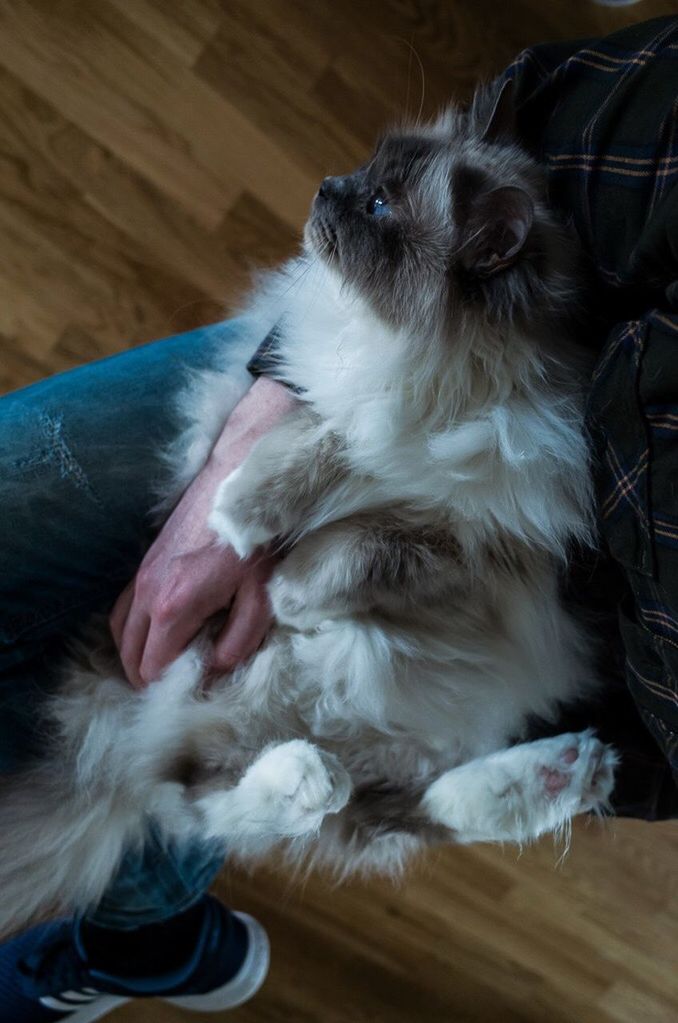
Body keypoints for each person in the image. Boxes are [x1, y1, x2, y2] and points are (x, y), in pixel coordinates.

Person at [2, 14, 678, 1022]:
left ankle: (154, 925)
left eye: (367, 203)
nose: (322, 195)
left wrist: (432, 728)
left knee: (182, 737)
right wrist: (259, 441)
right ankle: (158, 936)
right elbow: (545, 120)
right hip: (405, 395)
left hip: (482, 630)